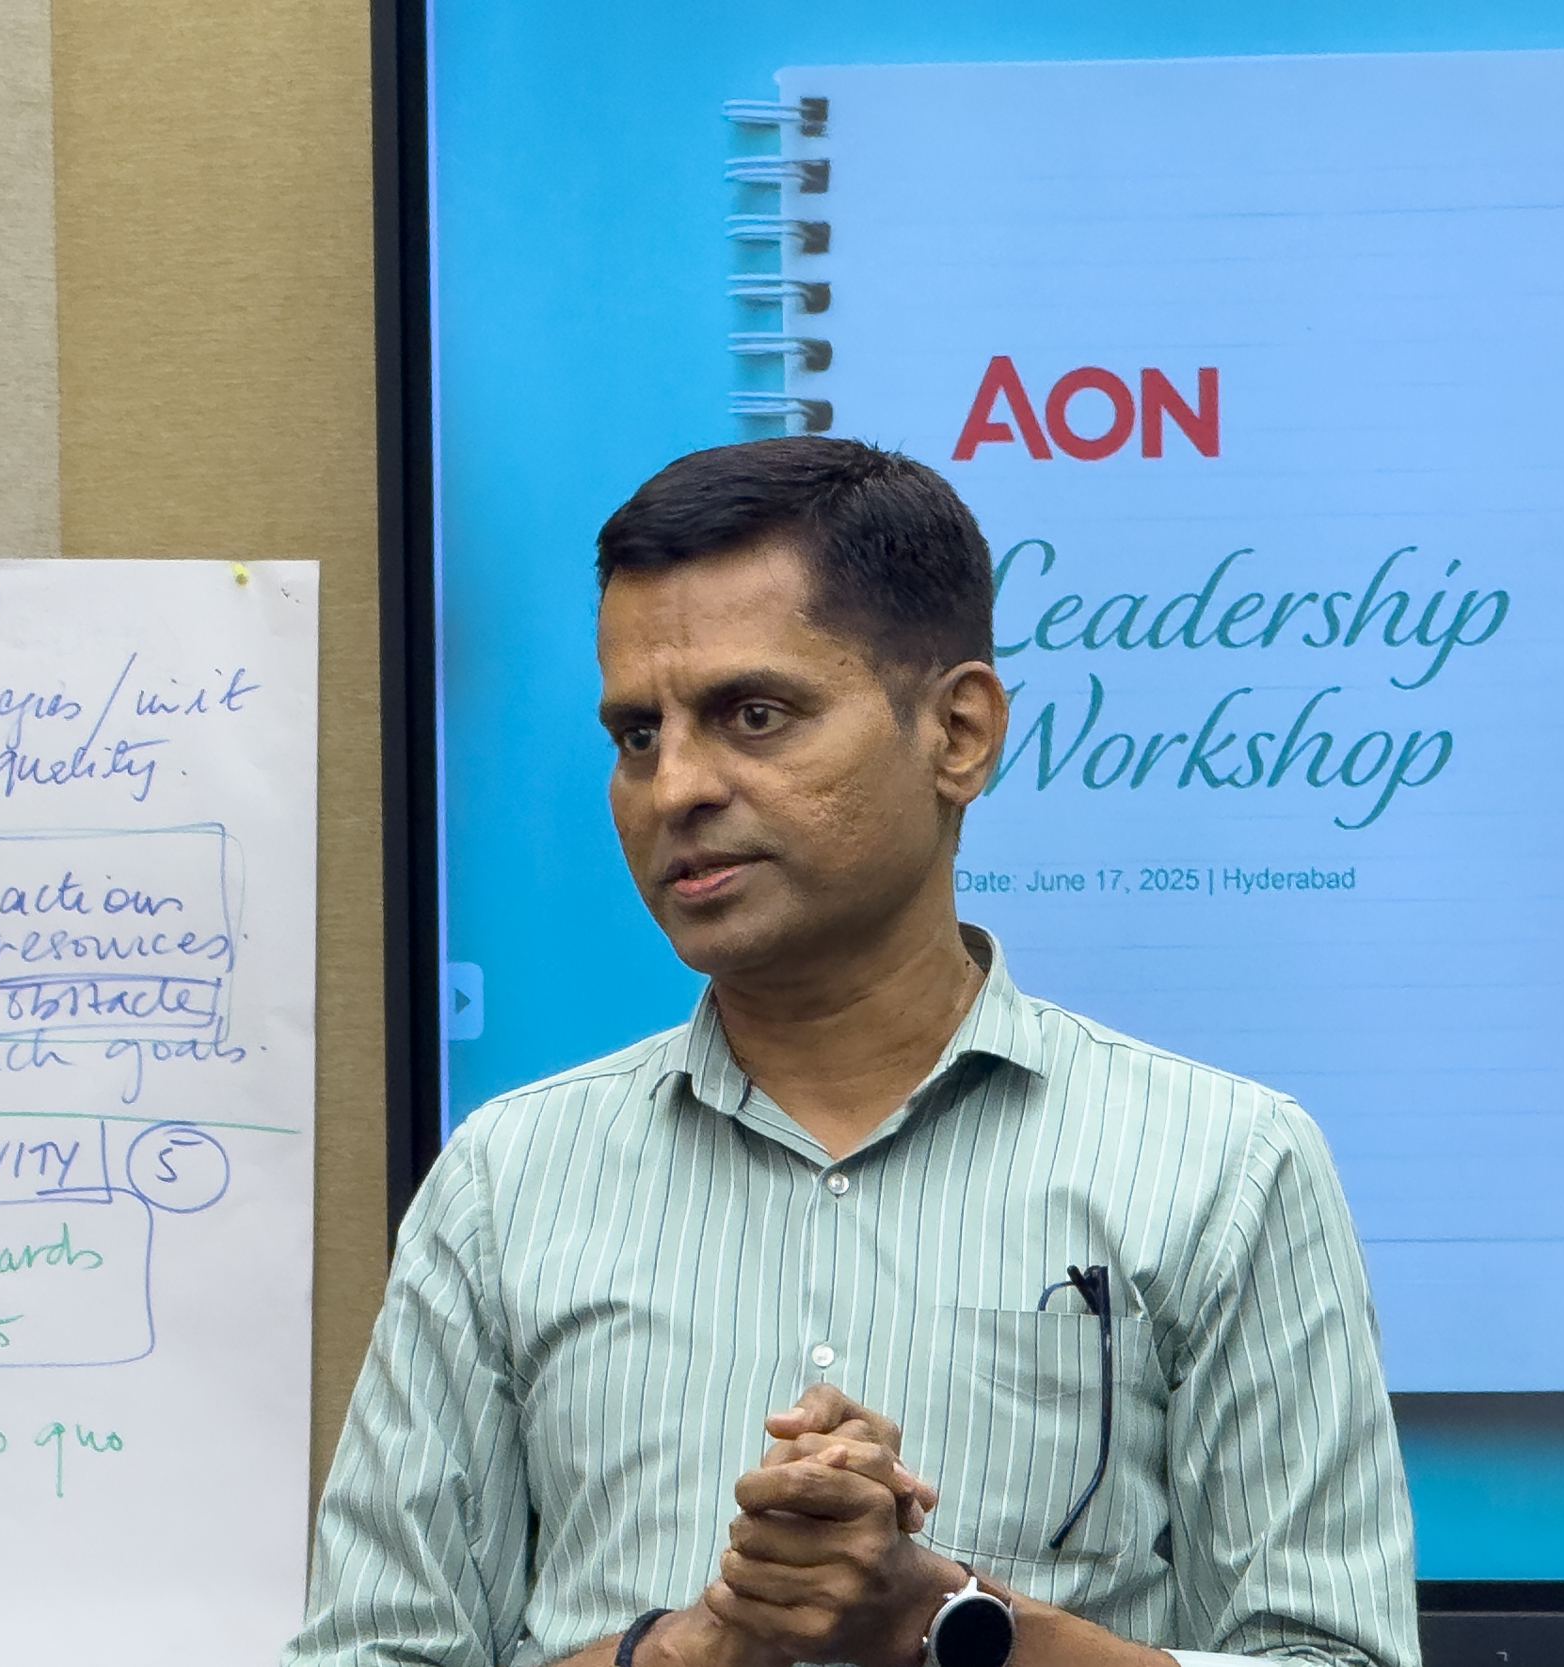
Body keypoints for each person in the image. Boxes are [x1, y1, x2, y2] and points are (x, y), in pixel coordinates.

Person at [287, 438, 1417, 1667]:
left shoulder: (1225, 1165)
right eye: (637, 734)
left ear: (958, 733)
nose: (675, 787)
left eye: (753, 714)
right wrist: (689, 1649)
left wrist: (949, 1622)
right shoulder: (507, 1180)